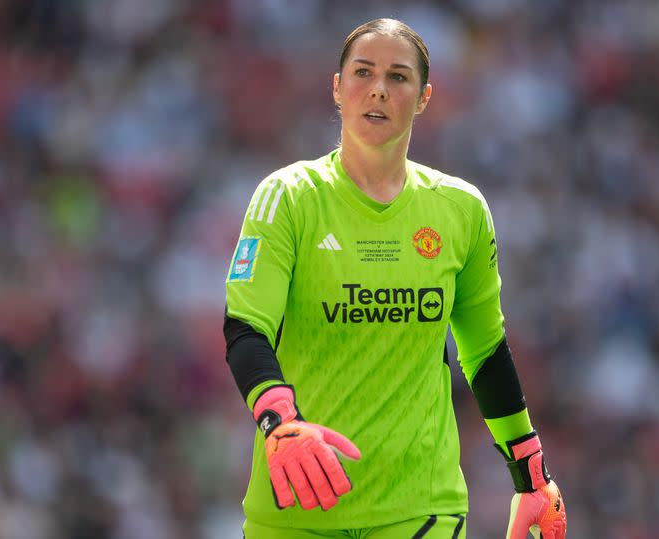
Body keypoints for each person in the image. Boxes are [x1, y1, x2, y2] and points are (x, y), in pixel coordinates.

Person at [224, 18, 567, 539]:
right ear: (337, 88)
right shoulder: (287, 198)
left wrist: (532, 476)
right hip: (296, 507)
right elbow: (246, 328)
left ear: (424, 96)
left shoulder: (460, 209)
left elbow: (485, 352)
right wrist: (279, 422)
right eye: (362, 72)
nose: (379, 89)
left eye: (399, 77)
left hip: (420, 509)